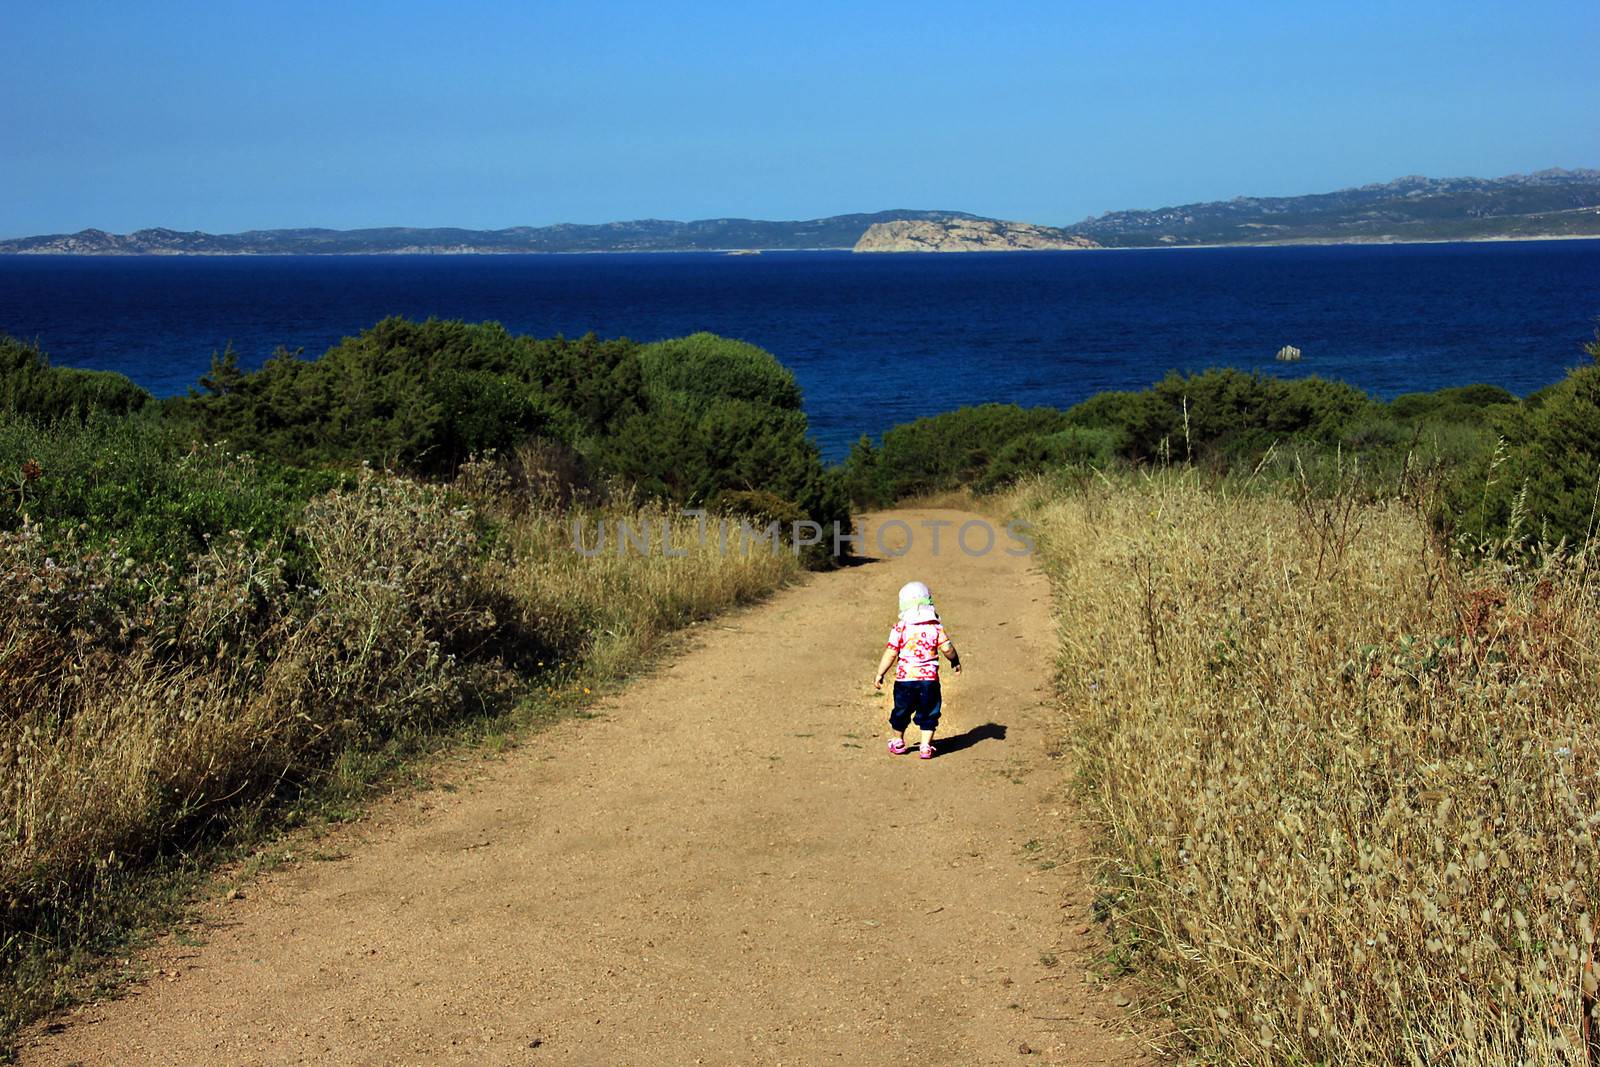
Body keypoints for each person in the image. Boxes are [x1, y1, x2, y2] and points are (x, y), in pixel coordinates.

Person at [873, 580, 961, 759]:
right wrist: (955, 660)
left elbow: (890, 653)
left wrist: (880, 673)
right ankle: (926, 746)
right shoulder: (935, 628)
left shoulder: (900, 628)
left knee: (901, 710)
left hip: (905, 681)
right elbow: (947, 648)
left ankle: (898, 741)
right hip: (929, 681)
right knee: (929, 711)